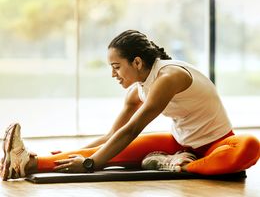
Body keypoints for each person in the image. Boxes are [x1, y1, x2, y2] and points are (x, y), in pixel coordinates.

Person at [1, 30, 259, 181]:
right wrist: (68, 155)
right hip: (180, 144)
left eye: (116, 67)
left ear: (136, 62)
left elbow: (132, 129)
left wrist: (92, 164)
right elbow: (112, 137)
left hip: (218, 144)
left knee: (250, 146)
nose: (113, 74)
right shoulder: (137, 91)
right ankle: (25, 163)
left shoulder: (169, 77)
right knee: (109, 149)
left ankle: (181, 165)